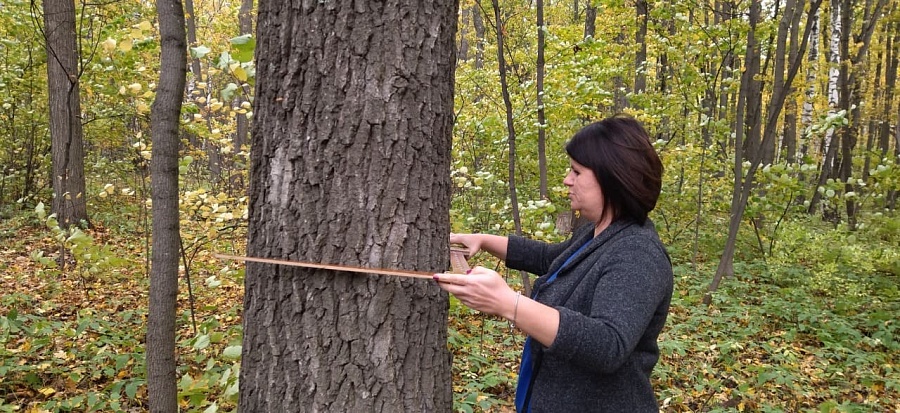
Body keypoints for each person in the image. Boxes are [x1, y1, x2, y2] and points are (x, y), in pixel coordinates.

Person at [434, 115, 673, 412]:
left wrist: (509, 303)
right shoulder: (595, 230)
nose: (566, 180)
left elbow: (608, 344)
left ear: (612, 177)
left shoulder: (637, 252)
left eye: (576, 171)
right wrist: (482, 239)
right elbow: (552, 260)